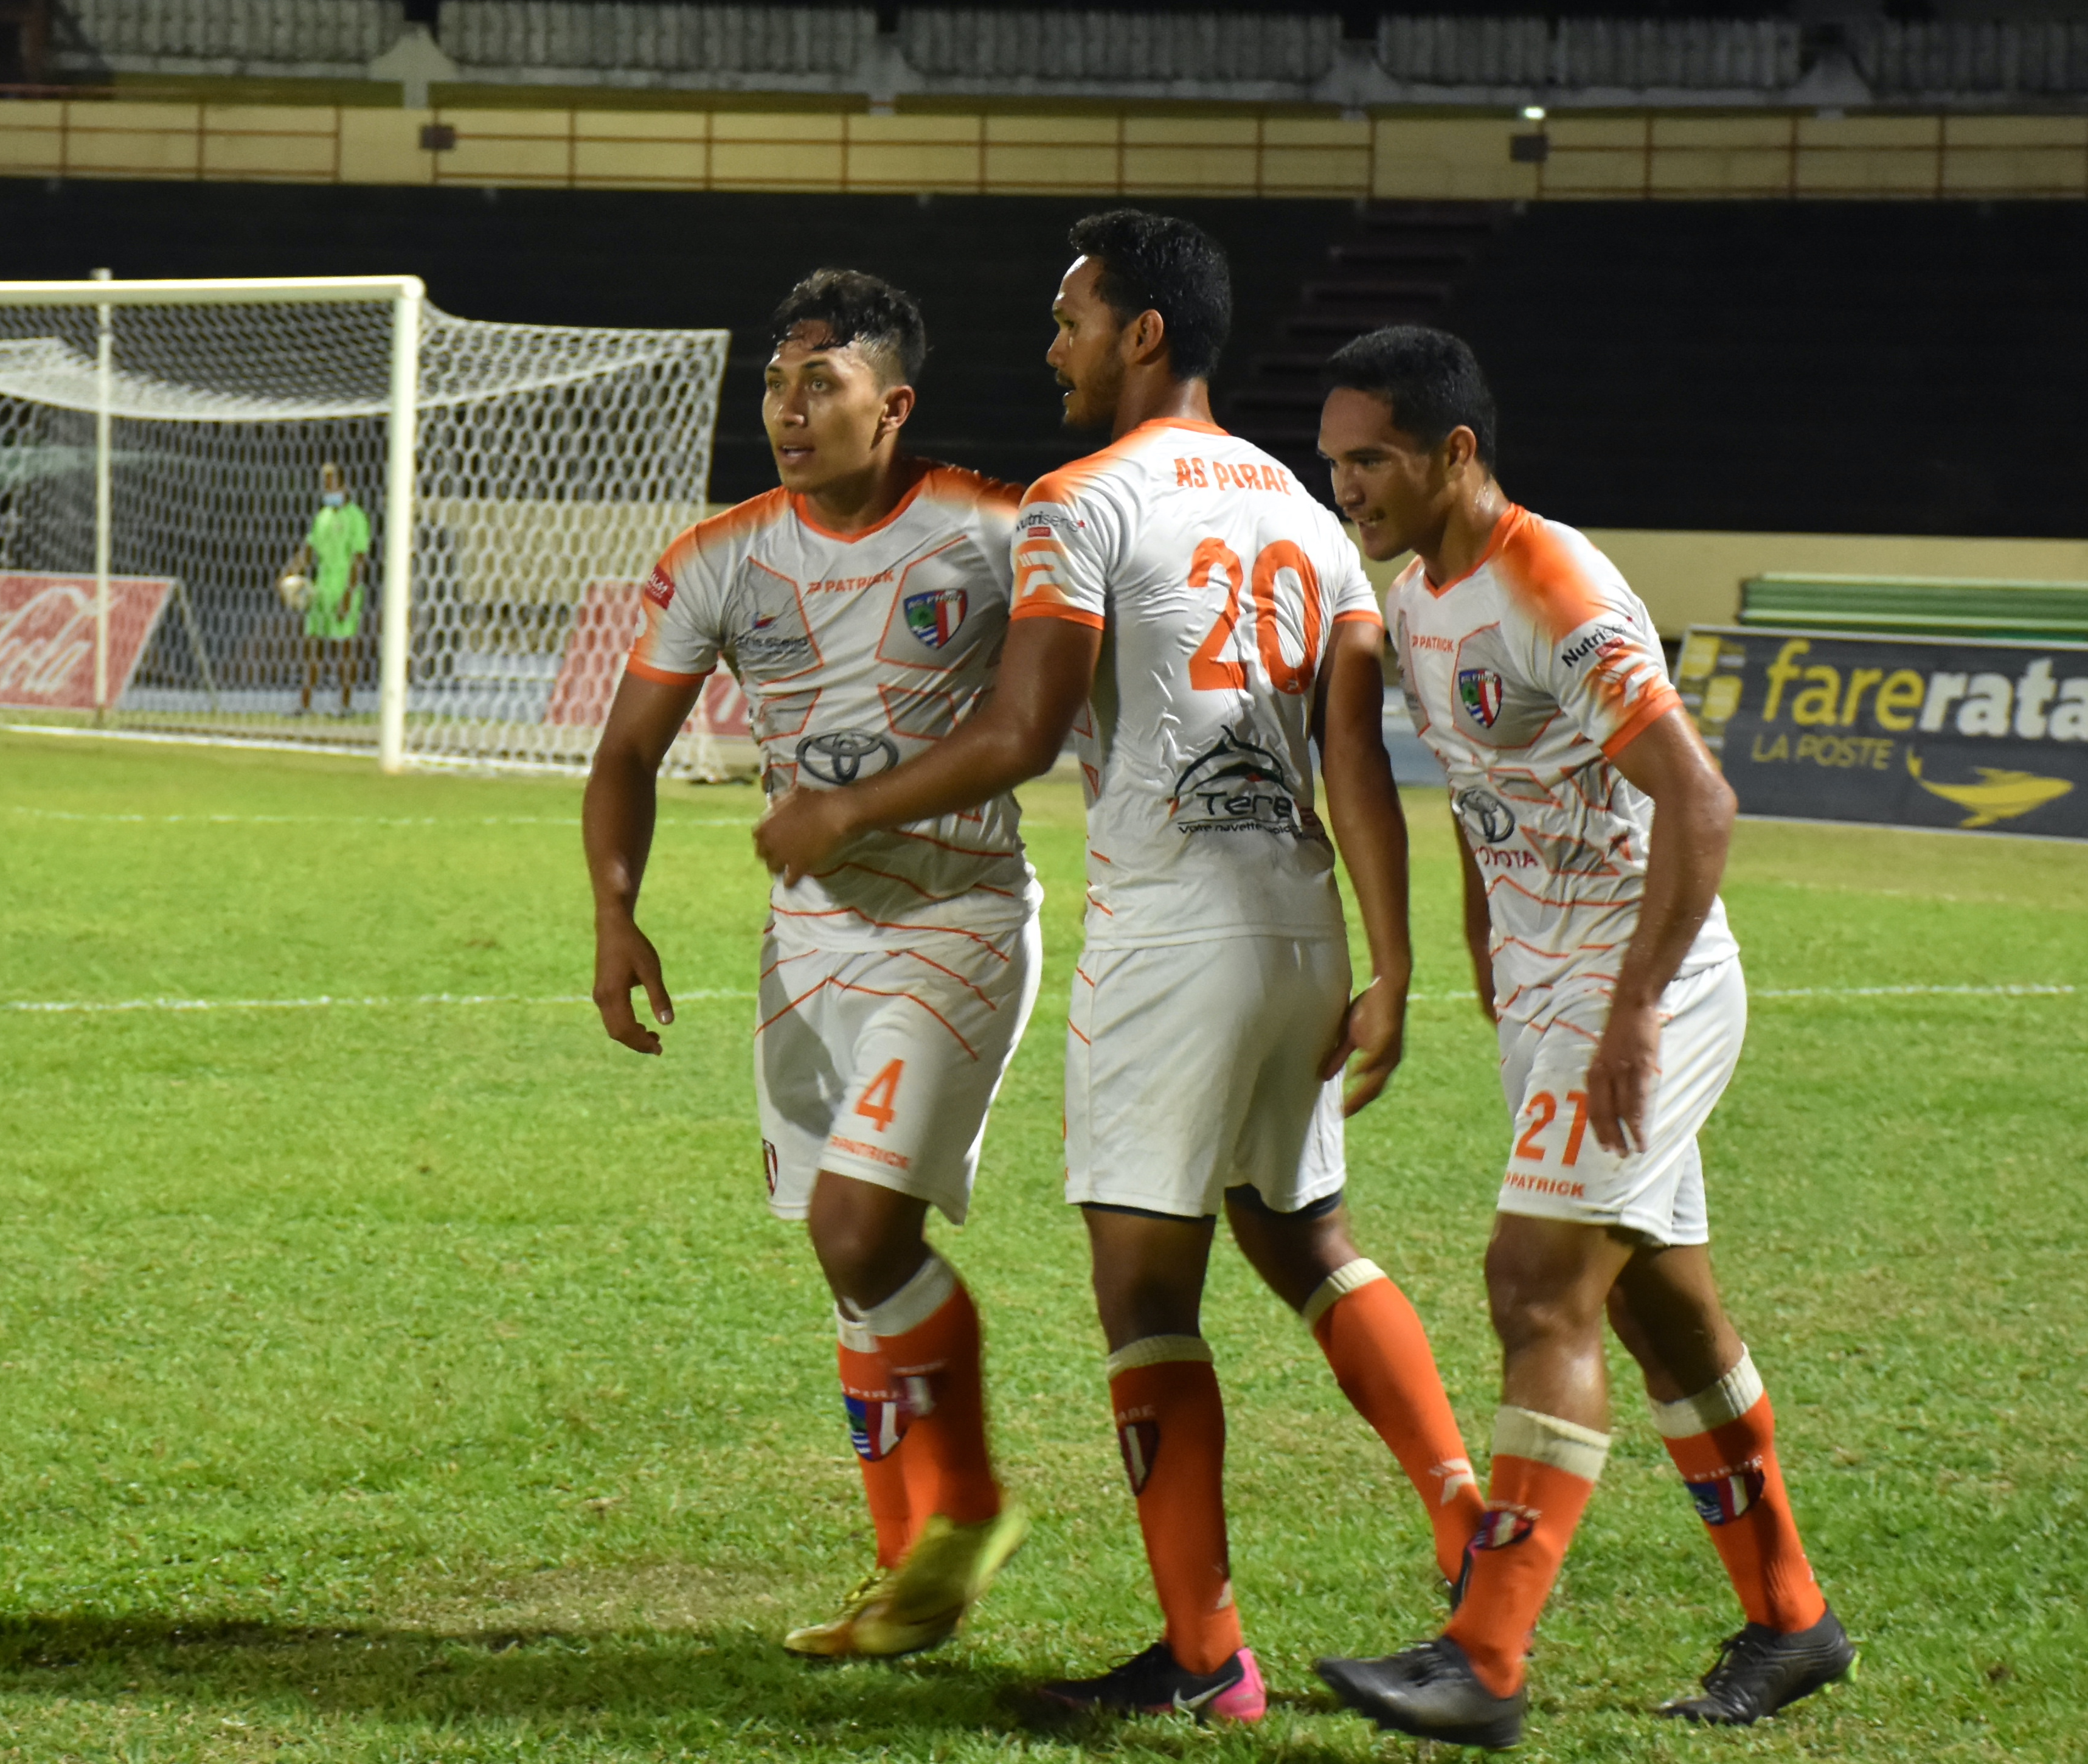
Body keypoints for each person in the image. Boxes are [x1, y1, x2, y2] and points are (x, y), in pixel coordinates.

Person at [755, 212, 1486, 1724]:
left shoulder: (1082, 500)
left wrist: (846, 806)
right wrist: (1392, 963)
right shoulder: (1303, 508)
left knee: (1144, 1290)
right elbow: (1358, 752)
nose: (1055, 347)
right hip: (1298, 921)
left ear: (1144, 333)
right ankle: (1464, 1512)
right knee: (1305, 1236)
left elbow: (1020, 735)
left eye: (1073, 318)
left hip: (1170, 929)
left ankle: (1208, 1657)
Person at [1307, 325, 1856, 1749]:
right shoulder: (1419, 594)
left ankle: (1483, 1658)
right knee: (1659, 1311)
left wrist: (1627, 1011)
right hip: (1555, 989)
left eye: (1371, 458)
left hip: (1641, 989)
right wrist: (1493, 932)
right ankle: (1793, 1619)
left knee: (1534, 1282)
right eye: (1335, 462)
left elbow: (1702, 803)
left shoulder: (1551, 584)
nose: (1348, 485)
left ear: (1455, 454)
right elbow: (1491, 782)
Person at [584, 269, 1038, 1661]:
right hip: (810, 944)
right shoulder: (721, 557)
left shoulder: (993, 533)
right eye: (774, 386)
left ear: (890, 405)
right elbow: (625, 753)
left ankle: (965, 1511)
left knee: (861, 1229)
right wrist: (616, 914)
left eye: (819, 385)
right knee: (852, 1270)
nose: (787, 409)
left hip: (956, 918)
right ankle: (906, 1579)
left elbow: (1092, 684)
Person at [281, 460, 370, 715]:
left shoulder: (356, 518)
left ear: (344, 484)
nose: (326, 487)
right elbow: (308, 550)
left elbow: (359, 559)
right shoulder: (322, 516)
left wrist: (348, 596)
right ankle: (305, 704)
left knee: (344, 649)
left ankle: (345, 705)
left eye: (331, 481)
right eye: (324, 482)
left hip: (344, 590)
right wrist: (288, 573)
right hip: (319, 590)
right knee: (313, 646)